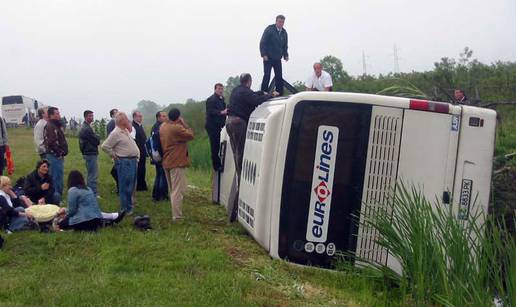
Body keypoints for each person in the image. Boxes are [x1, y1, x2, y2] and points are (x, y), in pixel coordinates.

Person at [226, 73, 277, 221]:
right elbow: (256, 100)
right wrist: (270, 96)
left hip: (229, 123)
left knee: (237, 156)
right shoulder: (245, 91)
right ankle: (241, 194)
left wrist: (261, 92)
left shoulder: (237, 90)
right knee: (241, 160)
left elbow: (253, 95)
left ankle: (239, 180)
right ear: (249, 82)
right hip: (238, 123)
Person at [56, 171, 125, 232]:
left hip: (83, 221)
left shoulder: (72, 190)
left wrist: (64, 215)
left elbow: (72, 211)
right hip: (96, 219)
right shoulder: (88, 189)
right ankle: (109, 220)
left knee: (61, 224)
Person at [159, 108, 194, 221]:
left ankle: (175, 212)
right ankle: (177, 216)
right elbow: (190, 135)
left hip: (167, 160)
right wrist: (185, 124)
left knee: (172, 189)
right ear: (178, 117)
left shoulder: (163, 127)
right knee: (177, 190)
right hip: (176, 162)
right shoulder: (177, 128)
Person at [101, 112, 139, 214]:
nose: (128, 121)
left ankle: (129, 207)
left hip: (132, 161)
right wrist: (114, 155)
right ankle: (125, 209)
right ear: (122, 121)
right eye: (126, 119)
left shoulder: (125, 131)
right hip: (124, 162)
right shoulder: (116, 133)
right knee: (125, 186)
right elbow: (105, 146)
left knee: (131, 186)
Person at [260, 14, 289, 95]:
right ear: (276, 21)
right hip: (268, 57)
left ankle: (279, 92)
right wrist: (263, 54)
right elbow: (263, 42)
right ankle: (264, 91)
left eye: (282, 22)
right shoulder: (269, 29)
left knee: (279, 75)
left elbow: (285, 45)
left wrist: (285, 54)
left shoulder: (284, 32)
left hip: (277, 58)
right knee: (267, 75)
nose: (281, 24)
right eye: (279, 22)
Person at [43, 106, 68, 202]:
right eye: (57, 114)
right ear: (51, 115)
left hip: (56, 156)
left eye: (59, 113)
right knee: (55, 177)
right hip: (54, 156)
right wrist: (60, 153)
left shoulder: (55, 125)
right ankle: (56, 199)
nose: (59, 115)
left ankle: (58, 197)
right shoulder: (50, 126)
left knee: (59, 176)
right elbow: (51, 142)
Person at [205, 83, 227, 171]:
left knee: (217, 145)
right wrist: (222, 112)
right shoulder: (211, 100)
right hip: (212, 126)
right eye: (219, 89)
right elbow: (210, 112)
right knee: (214, 146)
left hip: (218, 125)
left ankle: (218, 164)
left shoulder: (222, 99)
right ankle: (216, 166)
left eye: (222, 89)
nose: (221, 91)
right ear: (215, 89)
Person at [79, 110, 101, 196]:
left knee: (90, 173)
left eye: (92, 116)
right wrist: (97, 136)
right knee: (93, 174)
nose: (92, 118)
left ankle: (89, 190)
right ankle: (93, 193)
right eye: (90, 116)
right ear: (85, 117)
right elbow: (96, 140)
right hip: (90, 152)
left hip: (88, 152)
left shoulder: (88, 127)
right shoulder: (86, 129)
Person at [150, 111, 168, 202]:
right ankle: (161, 196)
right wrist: (162, 155)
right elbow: (158, 144)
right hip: (160, 156)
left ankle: (156, 195)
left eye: (166, 116)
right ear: (158, 118)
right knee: (162, 176)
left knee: (160, 175)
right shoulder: (158, 127)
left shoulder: (157, 126)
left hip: (158, 155)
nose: (166, 117)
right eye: (164, 116)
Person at [132, 111, 148, 191]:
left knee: (142, 169)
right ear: (134, 117)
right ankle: (138, 186)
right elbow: (133, 140)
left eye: (141, 116)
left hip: (142, 150)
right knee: (138, 169)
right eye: (139, 116)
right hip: (137, 151)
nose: (141, 118)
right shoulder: (132, 127)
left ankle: (142, 185)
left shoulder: (140, 126)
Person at [106, 108, 119, 193]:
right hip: (115, 149)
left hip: (118, 148)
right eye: (116, 113)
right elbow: (111, 138)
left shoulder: (117, 122)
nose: (118, 114)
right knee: (116, 169)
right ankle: (119, 186)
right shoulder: (112, 123)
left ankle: (119, 186)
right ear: (112, 115)